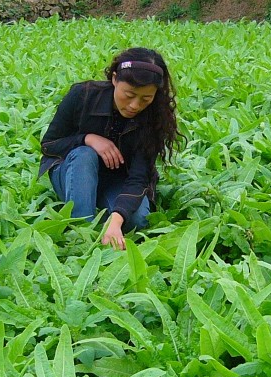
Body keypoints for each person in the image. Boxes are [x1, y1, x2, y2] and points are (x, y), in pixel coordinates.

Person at [39, 47, 180, 250]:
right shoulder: (82, 95)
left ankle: (103, 211)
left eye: (145, 99)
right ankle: (82, 233)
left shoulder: (154, 118)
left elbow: (139, 177)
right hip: (74, 172)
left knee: (137, 223)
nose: (134, 105)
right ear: (114, 79)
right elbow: (49, 145)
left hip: (118, 180)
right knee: (84, 154)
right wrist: (87, 138)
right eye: (129, 94)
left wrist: (117, 219)